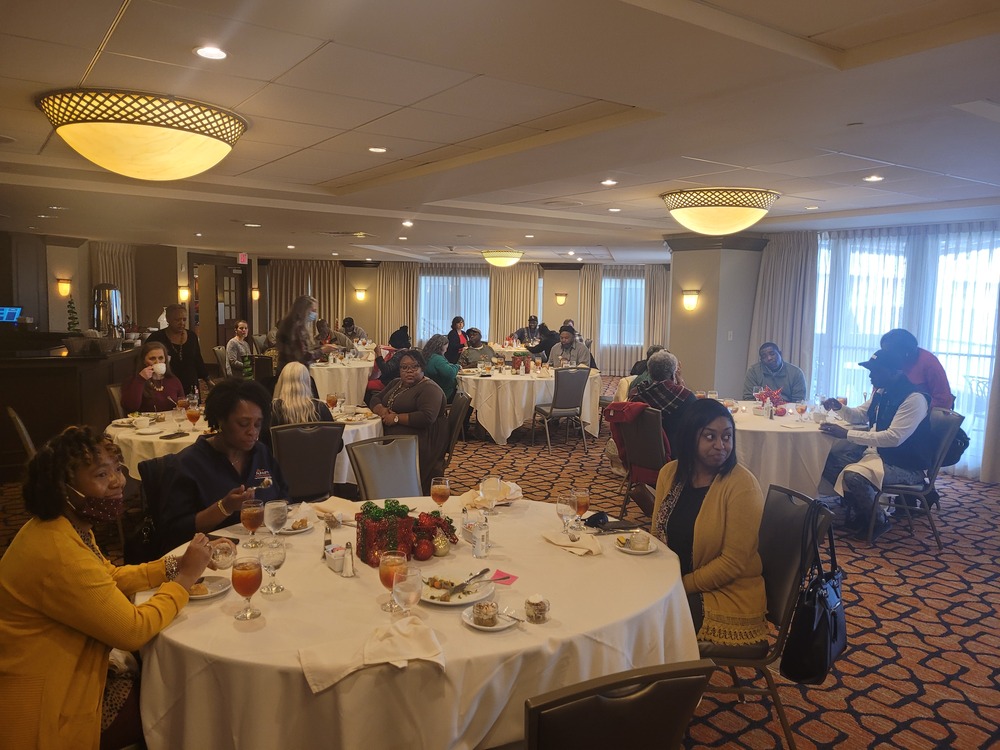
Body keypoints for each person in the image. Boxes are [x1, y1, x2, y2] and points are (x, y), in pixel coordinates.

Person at [0, 426, 222, 750]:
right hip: (50, 706)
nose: (118, 481)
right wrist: (185, 579)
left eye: (117, 469)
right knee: (175, 698)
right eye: (102, 475)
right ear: (64, 488)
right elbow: (132, 631)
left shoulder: (66, 526)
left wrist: (172, 565)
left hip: (69, 672)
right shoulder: (58, 552)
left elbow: (108, 577)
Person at [650, 398, 768, 649]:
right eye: (710, 437)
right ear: (690, 437)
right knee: (622, 602)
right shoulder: (670, 474)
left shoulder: (742, 486)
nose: (720, 446)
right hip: (672, 582)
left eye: (726, 437)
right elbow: (656, 538)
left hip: (727, 594)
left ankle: (664, 685)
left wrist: (680, 586)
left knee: (649, 624)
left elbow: (732, 564)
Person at [160, 379, 289, 551]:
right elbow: (178, 530)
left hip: (266, 547)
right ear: (221, 420)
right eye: (243, 424)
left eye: (258, 424)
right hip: (214, 556)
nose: (252, 431)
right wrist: (224, 507)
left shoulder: (261, 453)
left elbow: (284, 497)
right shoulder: (189, 464)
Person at [819, 349, 935, 540]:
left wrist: (847, 434)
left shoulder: (914, 399)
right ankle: (862, 512)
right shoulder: (883, 392)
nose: (871, 376)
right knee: (826, 461)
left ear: (894, 371)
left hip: (906, 466)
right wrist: (839, 408)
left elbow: (893, 438)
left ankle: (879, 520)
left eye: (876, 371)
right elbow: (861, 415)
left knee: (854, 476)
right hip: (878, 455)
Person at [370, 349, 447, 493]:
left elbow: (426, 417)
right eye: (404, 367)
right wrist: (382, 410)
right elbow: (374, 398)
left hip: (420, 440)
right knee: (366, 444)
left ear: (422, 368)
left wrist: (397, 418)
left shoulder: (430, 389)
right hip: (396, 434)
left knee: (368, 449)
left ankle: (383, 488)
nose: (409, 371)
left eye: (414, 367)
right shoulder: (396, 383)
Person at [629, 350, 698, 454]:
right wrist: (681, 381)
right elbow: (697, 418)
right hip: (675, 453)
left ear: (650, 372)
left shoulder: (637, 393)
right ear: (673, 373)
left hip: (642, 452)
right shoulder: (684, 396)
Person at [880, 328, 954, 408]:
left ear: (905, 352)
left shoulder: (929, 362)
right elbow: (878, 389)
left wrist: (916, 408)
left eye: (889, 353)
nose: (885, 356)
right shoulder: (889, 361)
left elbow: (943, 400)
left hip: (923, 413)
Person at [146, 303, 209, 395]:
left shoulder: (191, 336)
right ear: (168, 319)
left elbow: (197, 359)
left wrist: (207, 379)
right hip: (167, 383)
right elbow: (145, 359)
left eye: (184, 319)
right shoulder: (157, 337)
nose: (182, 323)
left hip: (190, 382)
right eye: (177, 320)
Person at [276, 295, 336, 374]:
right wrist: (322, 350)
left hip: (285, 370)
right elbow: (303, 356)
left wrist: (322, 347)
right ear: (304, 310)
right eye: (313, 310)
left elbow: (303, 348)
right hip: (294, 374)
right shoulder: (297, 328)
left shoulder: (289, 323)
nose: (315, 314)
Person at [121, 340, 185, 413]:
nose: (157, 362)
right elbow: (130, 407)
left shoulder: (173, 380)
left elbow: (183, 405)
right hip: (144, 422)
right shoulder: (134, 380)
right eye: (152, 358)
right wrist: (140, 379)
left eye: (161, 358)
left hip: (170, 421)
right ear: (143, 361)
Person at [270, 362, 334, 427]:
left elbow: (265, 436)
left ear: (282, 382)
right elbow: (335, 435)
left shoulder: (273, 410)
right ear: (307, 382)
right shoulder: (320, 408)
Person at [742, 342, 806, 402]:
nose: (769, 358)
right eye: (764, 356)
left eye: (772, 354)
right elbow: (748, 398)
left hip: (787, 410)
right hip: (760, 410)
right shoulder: (753, 372)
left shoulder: (796, 373)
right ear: (761, 360)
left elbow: (798, 401)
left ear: (780, 354)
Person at [423, 333, 460, 402]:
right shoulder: (437, 359)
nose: (446, 350)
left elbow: (445, 366)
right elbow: (450, 373)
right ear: (441, 347)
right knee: (467, 397)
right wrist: (457, 366)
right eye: (446, 347)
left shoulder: (427, 356)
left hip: (429, 391)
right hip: (442, 393)